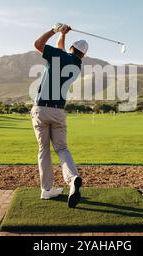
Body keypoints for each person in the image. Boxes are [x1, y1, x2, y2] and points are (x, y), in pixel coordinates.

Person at [32, 23, 88, 208]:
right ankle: (73, 180)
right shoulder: (77, 65)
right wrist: (62, 35)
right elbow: (61, 49)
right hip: (59, 112)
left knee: (44, 149)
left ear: (72, 48)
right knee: (62, 148)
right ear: (83, 54)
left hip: (42, 108)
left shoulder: (58, 55)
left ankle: (47, 189)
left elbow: (38, 44)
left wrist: (54, 30)